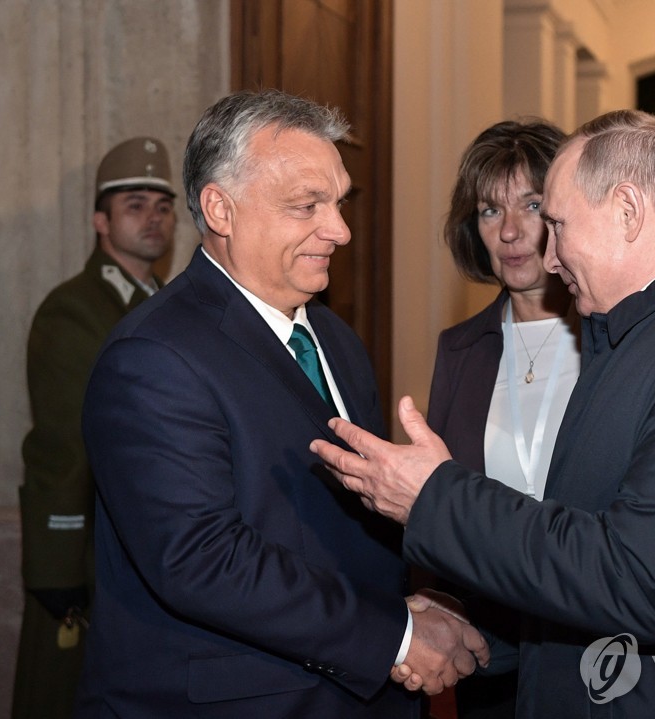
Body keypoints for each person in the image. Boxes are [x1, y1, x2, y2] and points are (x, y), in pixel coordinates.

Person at [313, 109, 655, 717]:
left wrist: (434, 497)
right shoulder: (640, 336)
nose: (547, 257)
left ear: (627, 211)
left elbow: (644, 582)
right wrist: (477, 639)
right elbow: (587, 564)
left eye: (558, 223)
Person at [74, 89, 487, 718]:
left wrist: (415, 600)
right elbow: (201, 560)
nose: (341, 230)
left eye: (339, 202)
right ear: (221, 208)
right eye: (307, 206)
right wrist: (394, 635)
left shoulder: (334, 339)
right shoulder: (152, 355)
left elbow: (349, 523)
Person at [13, 137, 177, 719]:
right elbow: (63, 447)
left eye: (162, 206)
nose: (153, 218)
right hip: (89, 554)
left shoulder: (164, 302)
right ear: (100, 221)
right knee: (69, 696)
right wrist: (56, 568)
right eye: (135, 205)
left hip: (150, 547)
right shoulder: (74, 309)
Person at [429, 120, 577, 719]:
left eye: (533, 205)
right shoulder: (459, 349)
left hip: (591, 644)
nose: (511, 232)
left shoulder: (615, 344)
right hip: (489, 651)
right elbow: (441, 501)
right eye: (491, 210)